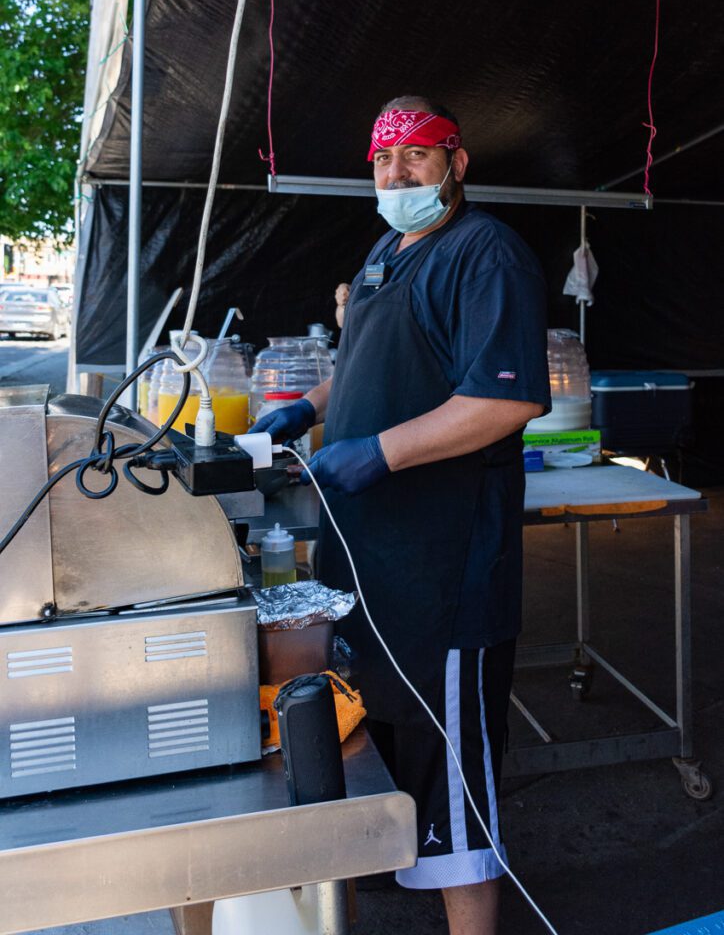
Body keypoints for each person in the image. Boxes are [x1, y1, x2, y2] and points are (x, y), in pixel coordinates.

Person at [251, 96, 551, 935]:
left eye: (417, 156)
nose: (397, 173)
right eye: (384, 160)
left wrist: (377, 452)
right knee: (374, 748)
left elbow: (506, 401)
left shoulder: (484, 253)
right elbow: (366, 369)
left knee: (451, 779)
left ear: (457, 163)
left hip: (443, 573)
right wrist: (304, 409)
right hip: (368, 564)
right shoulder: (389, 247)